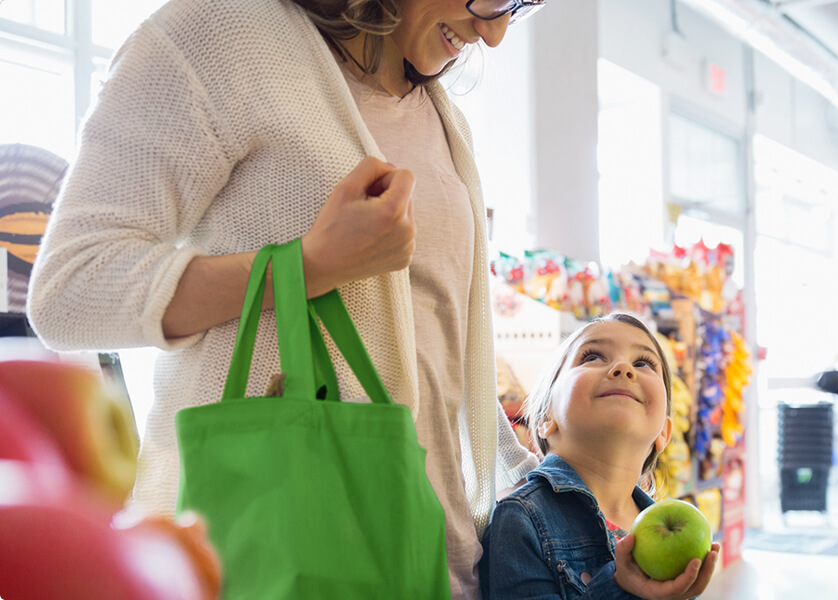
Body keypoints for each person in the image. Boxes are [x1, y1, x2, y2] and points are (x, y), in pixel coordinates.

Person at [28, 1, 547, 597]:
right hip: (268, 557)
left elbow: (444, 364)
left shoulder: (444, 119)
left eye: (521, 4)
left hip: (437, 564)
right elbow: (70, 290)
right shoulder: (223, 34)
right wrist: (307, 266)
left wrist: (567, 503)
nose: (497, 32)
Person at [481, 313, 721, 600]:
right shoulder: (521, 519)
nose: (623, 367)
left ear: (663, 433)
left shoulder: (671, 530)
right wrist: (618, 587)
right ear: (545, 417)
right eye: (592, 356)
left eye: (643, 363)